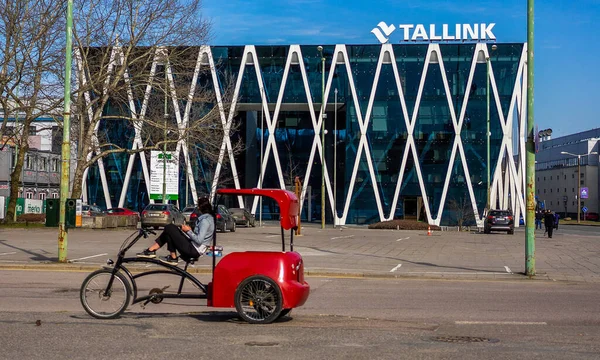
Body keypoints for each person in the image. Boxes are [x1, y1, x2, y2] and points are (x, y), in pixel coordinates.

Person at [137, 197, 215, 265]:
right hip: (193, 247)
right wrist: (187, 231)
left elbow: (199, 240)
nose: (197, 208)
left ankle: (167, 256)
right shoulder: (208, 219)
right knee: (169, 231)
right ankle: (156, 252)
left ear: (200, 207)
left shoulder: (205, 221)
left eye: (197, 206)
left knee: (170, 227)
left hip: (193, 250)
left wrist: (188, 231)